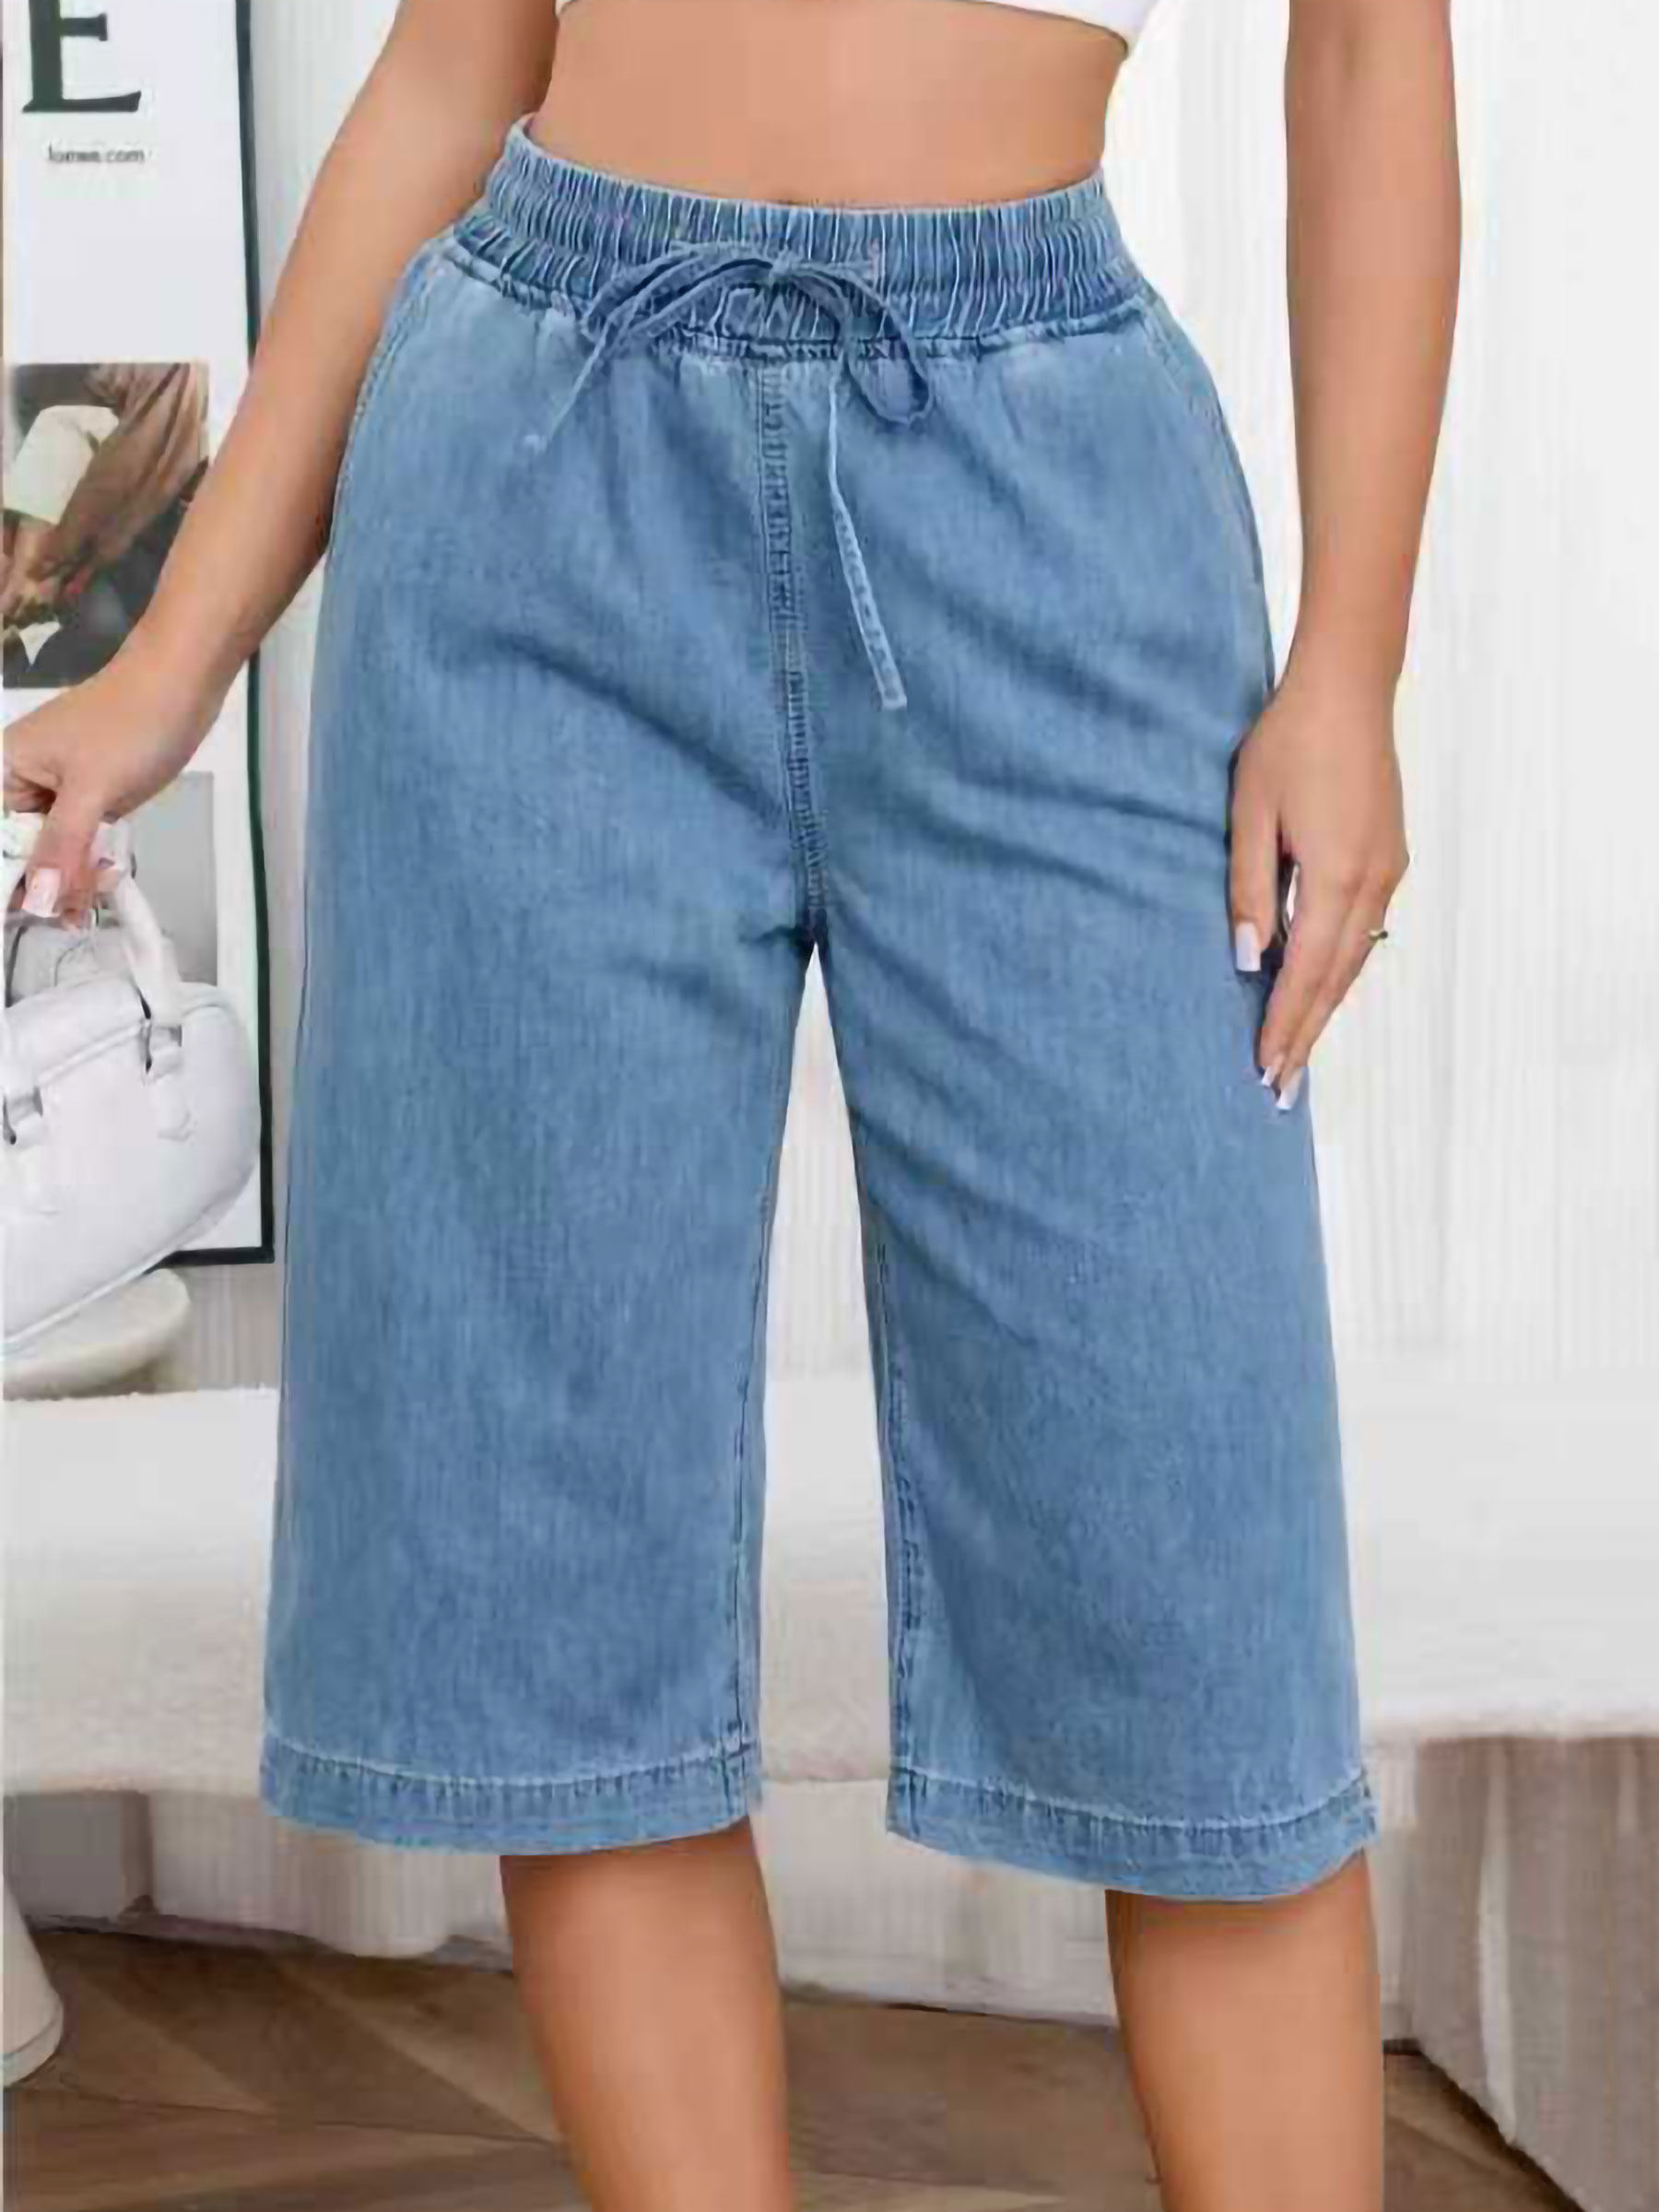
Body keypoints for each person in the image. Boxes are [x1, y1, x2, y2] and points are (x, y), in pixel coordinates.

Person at [4, 0, 1460, 2204]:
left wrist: (1350, 662)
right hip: (531, 469)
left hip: (1053, 491)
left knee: (1187, 1577)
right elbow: (457, 63)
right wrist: (170, 658)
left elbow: (1367, 59)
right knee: (560, 1564)